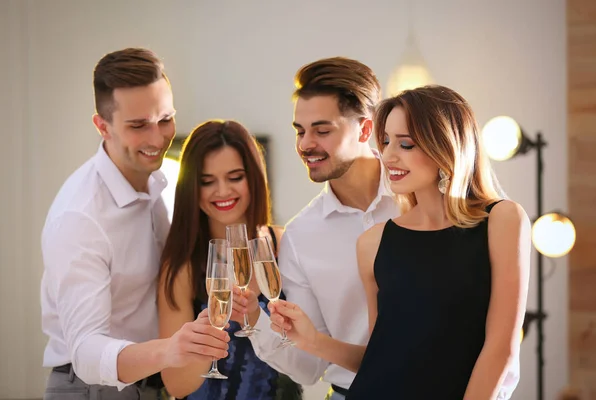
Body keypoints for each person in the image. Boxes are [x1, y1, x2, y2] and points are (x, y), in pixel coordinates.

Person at [268, 85, 530, 399]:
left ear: (445, 146)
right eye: (386, 141)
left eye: (405, 144)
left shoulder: (502, 220)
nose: (389, 155)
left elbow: (500, 347)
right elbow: (382, 358)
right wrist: (311, 340)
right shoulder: (373, 243)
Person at [40, 48, 230, 400]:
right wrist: (171, 350)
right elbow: (85, 352)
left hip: (151, 386)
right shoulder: (80, 216)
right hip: (92, 390)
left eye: (165, 119)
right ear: (102, 126)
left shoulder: (159, 185)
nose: (158, 138)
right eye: (138, 125)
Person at [237, 56, 400, 399]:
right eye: (300, 130)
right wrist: (254, 319)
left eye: (322, 130)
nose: (305, 144)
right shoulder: (301, 237)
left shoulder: (418, 197)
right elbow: (309, 367)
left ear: (365, 129)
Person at [158, 120, 303, 400]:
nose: (222, 191)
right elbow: (176, 384)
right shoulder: (182, 266)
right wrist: (212, 327)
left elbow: (308, 353)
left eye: (235, 177)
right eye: (207, 181)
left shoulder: (282, 244)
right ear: (191, 187)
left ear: (254, 178)